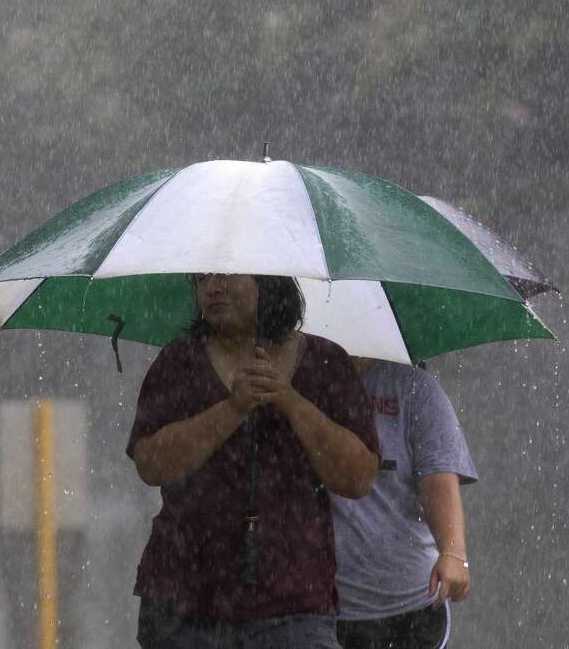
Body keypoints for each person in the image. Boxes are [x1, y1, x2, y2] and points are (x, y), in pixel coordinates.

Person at [127, 272, 381, 649]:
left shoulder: (326, 362)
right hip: (184, 602)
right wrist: (233, 409)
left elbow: (358, 477)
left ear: (269, 280)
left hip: (295, 602)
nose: (211, 289)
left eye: (226, 275)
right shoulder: (178, 364)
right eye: (200, 279)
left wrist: (289, 399)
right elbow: (151, 463)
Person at [331, 359, 478, 649]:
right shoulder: (306, 381)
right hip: (326, 606)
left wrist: (453, 551)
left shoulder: (416, 390)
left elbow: (437, 479)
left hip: (413, 603)